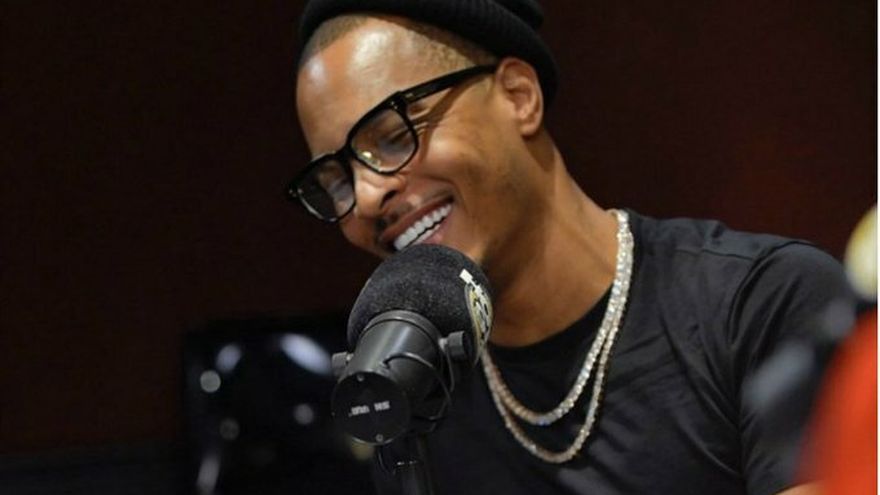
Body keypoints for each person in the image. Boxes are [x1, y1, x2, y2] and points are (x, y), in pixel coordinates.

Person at [287, 1, 857, 493]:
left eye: (393, 136)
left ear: (519, 95)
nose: (367, 198)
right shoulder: (419, 391)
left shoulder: (762, 304)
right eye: (335, 180)